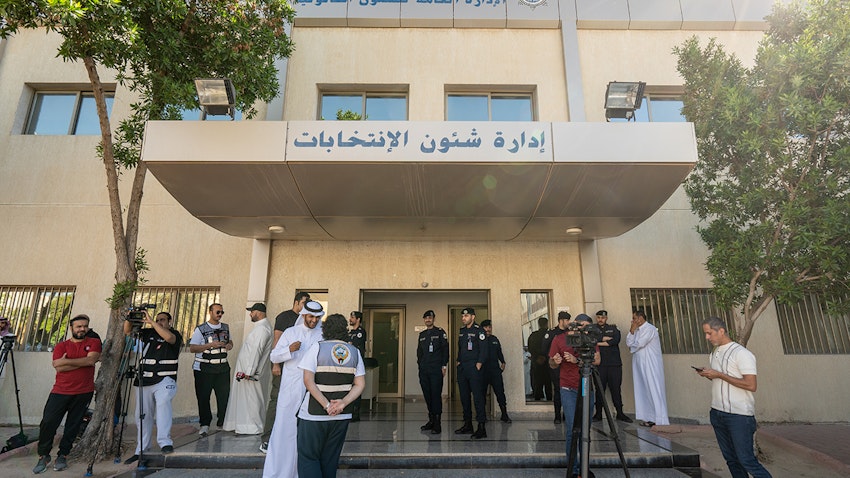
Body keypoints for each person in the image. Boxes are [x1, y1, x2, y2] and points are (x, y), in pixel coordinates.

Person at [697, 317, 772, 478]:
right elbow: (720, 379)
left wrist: (719, 375)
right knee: (731, 459)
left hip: (739, 416)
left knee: (746, 460)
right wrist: (709, 375)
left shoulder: (742, 354)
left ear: (721, 331)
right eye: (705, 334)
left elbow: (751, 385)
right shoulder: (715, 352)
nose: (707, 337)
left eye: (709, 333)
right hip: (717, 413)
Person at [297, 313, 366, 478]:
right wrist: (342, 403)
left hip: (314, 415)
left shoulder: (317, 347)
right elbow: (360, 384)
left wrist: (327, 405)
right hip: (341, 416)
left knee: (308, 457)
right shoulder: (354, 352)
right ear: (344, 330)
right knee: (330, 460)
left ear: (325, 329)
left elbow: (308, 381)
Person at [262, 300, 325, 478]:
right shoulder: (291, 332)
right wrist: (289, 350)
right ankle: (280, 473)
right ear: (304, 314)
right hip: (290, 391)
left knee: (309, 434)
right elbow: (274, 355)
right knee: (285, 431)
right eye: (310, 316)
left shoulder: (323, 335)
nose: (313, 320)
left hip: (313, 391)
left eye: (317, 317)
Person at [32, 314, 102, 474]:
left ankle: (63, 454)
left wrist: (66, 361)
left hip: (84, 392)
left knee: (73, 425)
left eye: (85, 326)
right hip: (60, 391)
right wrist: (81, 362)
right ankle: (44, 455)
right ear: (72, 328)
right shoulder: (61, 346)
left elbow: (90, 361)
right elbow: (58, 367)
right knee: (48, 422)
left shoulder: (94, 342)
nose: (82, 329)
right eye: (78, 326)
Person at [122, 311, 182, 464]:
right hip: (144, 380)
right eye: (157, 320)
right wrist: (130, 318)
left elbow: (169, 338)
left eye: (163, 320)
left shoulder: (174, 334)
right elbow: (127, 331)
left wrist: (152, 322)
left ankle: (165, 443)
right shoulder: (147, 334)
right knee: (141, 415)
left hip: (164, 379)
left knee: (163, 406)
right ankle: (141, 448)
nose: (159, 322)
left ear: (170, 321)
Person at [549, 313, 600, 478]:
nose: (581, 328)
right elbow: (551, 363)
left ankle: (584, 467)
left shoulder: (590, 339)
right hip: (568, 388)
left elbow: (597, 360)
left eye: (585, 325)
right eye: (579, 325)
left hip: (586, 387)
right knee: (572, 429)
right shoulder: (559, 339)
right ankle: (574, 468)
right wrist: (555, 361)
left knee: (585, 429)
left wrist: (576, 360)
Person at [261, 291, 310, 452]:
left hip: (298, 370)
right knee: (277, 399)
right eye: (304, 302)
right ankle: (267, 439)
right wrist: (276, 364)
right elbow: (277, 341)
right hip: (281, 364)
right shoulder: (285, 317)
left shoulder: (307, 322)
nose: (306, 306)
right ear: (296, 302)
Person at [222, 303, 273, 435]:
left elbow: (257, 351)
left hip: (250, 372)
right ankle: (244, 426)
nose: (250, 314)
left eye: (252, 311)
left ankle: (252, 427)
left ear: (259, 312)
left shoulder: (262, 329)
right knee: (245, 399)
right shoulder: (260, 327)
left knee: (252, 400)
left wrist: (249, 372)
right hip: (246, 371)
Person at [189, 303, 233, 436]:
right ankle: (205, 424)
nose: (220, 314)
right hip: (204, 368)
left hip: (222, 367)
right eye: (217, 312)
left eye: (222, 312)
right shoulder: (201, 329)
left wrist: (229, 345)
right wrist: (210, 345)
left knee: (223, 396)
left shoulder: (225, 327)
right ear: (210, 312)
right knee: (203, 397)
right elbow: (193, 348)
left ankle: (222, 422)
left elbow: (230, 341)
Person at [626, 309, 669, 427]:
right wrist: (632, 330)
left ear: (640, 318)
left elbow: (639, 344)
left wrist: (632, 347)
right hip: (639, 363)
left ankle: (660, 419)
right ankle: (649, 417)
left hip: (651, 364)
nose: (632, 321)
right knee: (643, 389)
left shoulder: (650, 329)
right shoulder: (636, 330)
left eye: (634, 318)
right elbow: (629, 342)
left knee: (654, 388)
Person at [592, 310, 632, 423]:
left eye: (603, 317)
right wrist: (603, 339)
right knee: (599, 390)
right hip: (600, 365)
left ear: (606, 318)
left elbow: (615, 340)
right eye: (599, 317)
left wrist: (598, 340)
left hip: (614, 365)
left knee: (616, 389)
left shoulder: (613, 329)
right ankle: (598, 414)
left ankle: (620, 413)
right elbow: (590, 340)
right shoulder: (593, 329)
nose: (600, 319)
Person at [455, 307, 488, 439]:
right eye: (463, 316)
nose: (463, 318)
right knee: (464, 397)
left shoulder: (479, 331)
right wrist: (458, 361)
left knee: (478, 398)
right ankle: (468, 424)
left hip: (474, 368)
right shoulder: (462, 331)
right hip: (462, 367)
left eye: (466, 316)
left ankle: (481, 427)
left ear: (473, 317)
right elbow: (460, 348)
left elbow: (484, 350)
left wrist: (479, 364)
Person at [417, 309, 449, 434]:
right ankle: (431, 420)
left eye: (430, 318)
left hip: (436, 368)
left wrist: (444, 365)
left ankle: (437, 423)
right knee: (427, 395)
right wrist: (420, 365)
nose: (428, 320)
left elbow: (445, 350)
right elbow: (419, 352)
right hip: (424, 369)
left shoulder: (440, 332)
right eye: (425, 318)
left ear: (433, 319)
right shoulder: (422, 335)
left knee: (436, 395)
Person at [541, 311, 570, 423]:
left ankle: (566, 414)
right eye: (567, 320)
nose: (568, 322)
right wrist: (553, 358)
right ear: (561, 320)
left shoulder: (570, 333)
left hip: (568, 366)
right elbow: (544, 349)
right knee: (558, 390)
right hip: (556, 366)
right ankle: (557, 415)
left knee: (567, 390)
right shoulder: (552, 333)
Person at [480, 319, 511, 423]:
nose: (488, 329)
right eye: (486, 327)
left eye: (489, 327)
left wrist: (503, 362)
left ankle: (504, 414)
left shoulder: (494, 339)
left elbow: (499, 352)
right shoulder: (478, 339)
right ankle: (482, 416)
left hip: (494, 370)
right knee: (481, 394)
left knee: (500, 392)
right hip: (483, 371)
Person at [347, 310, 367, 421]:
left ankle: (355, 413)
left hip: (357, 363)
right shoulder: (349, 333)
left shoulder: (361, 332)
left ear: (358, 319)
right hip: (349, 364)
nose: (350, 319)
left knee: (357, 387)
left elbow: (355, 347)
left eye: (352, 317)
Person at [527, 316, 551, 401]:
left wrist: (537, 357)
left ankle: (537, 399)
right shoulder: (549, 335)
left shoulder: (533, 335)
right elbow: (552, 347)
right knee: (548, 384)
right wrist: (545, 357)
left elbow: (530, 347)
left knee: (537, 383)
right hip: (548, 362)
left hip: (536, 362)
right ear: (546, 324)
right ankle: (550, 400)